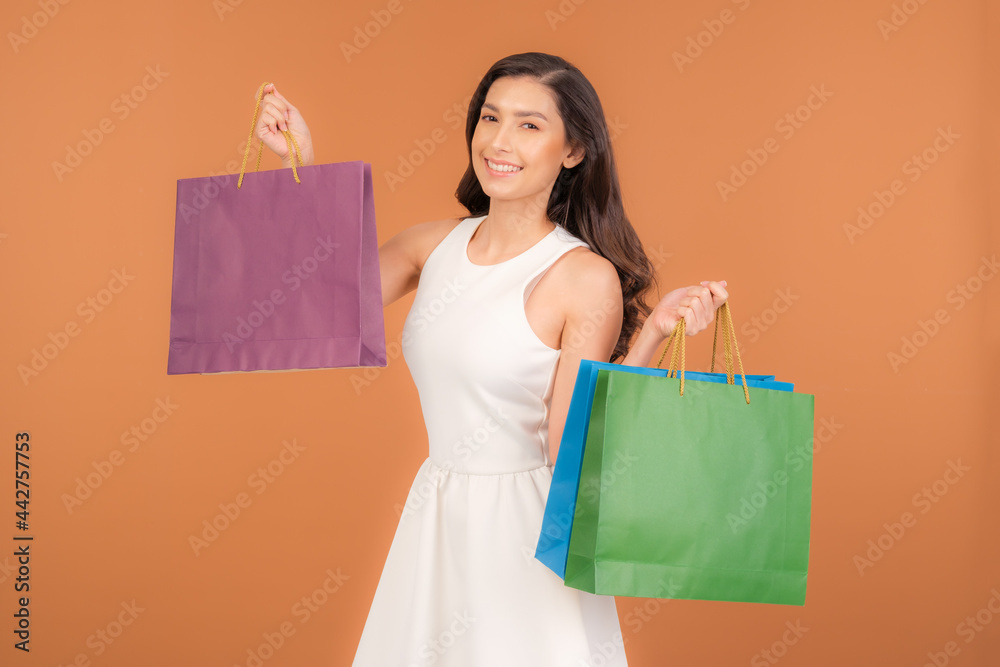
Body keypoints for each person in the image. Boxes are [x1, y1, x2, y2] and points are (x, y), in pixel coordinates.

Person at [253, 52, 728, 666]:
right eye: (490, 118)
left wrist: (654, 336)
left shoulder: (583, 277)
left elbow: (569, 446)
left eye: (530, 125)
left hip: (526, 532)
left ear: (574, 151)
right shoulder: (433, 246)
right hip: (438, 514)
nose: (500, 142)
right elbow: (320, 306)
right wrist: (301, 168)